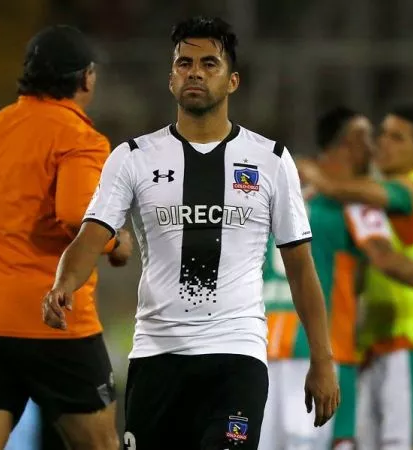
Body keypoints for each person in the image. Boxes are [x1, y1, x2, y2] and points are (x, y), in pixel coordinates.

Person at [42, 16, 340, 450]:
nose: (195, 72)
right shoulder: (133, 157)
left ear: (232, 81)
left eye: (208, 64)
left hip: (235, 356)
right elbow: (91, 235)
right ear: (171, 79)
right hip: (157, 357)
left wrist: (322, 358)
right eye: (184, 63)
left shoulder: (271, 160)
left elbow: (300, 267)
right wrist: (63, 283)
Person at [0, 25, 132, 450]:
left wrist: (3, 222)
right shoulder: (80, 137)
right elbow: (76, 215)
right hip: (52, 321)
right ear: (85, 78)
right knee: (100, 445)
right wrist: (116, 243)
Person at [260, 107, 413, 450]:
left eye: (393, 137)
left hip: (268, 345)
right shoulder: (355, 202)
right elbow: (382, 257)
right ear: (349, 144)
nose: (377, 146)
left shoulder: (282, 192)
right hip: (328, 351)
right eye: (371, 138)